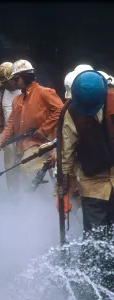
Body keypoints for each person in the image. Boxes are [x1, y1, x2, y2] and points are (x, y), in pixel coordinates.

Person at [59, 70, 114, 290]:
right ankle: (92, 288)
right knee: (95, 241)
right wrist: (61, 192)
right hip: (94, 185)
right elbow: (65, 156)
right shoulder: (71, 113)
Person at [0, 60, 63, 189]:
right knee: (21, 173)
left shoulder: (44, 92)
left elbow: (60, 110)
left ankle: (44, 199)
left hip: (42, 143)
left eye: (16, 79)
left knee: (28, 166)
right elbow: (11, 123)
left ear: (26, 77)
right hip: (23, 145)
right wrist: (2, 139)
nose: (14, 82)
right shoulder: (18, 100)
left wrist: (44, 129)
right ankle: (31, 201)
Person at [0, 62, 22, 191]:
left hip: (26, 138)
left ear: (14, 78)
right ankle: (14, 200)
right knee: (10, 172)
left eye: (6, 81)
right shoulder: (2, 93)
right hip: (9, 140)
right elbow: (8, 120)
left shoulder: (24, 91)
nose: (3, 84)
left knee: (28, 170)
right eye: (2, 82)